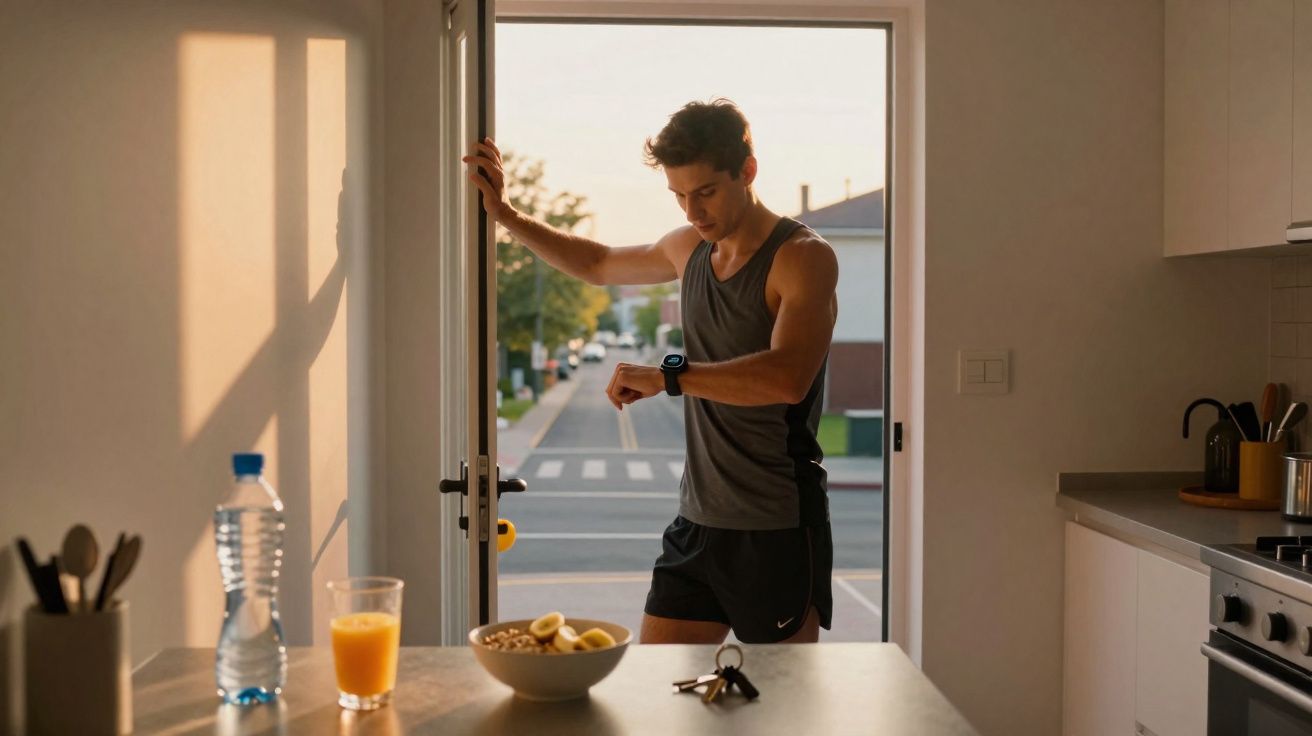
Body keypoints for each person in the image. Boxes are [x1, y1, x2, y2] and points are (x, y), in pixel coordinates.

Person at [463, 98, 838, 644]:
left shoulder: (802, 256)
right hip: (695, 523)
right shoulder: (688, 248)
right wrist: (505, 215)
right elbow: (596, 264)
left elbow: (786, 378)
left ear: (748, 171)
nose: (692, 211)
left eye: (705, 192)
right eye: (679, 195)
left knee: (781, 705)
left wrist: (669, 378)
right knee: (659, 695)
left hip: (776, 525)